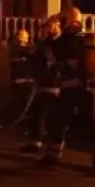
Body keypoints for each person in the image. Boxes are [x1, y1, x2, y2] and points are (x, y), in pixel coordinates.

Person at [41, 6, 95, 176]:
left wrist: (50, 26)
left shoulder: (65, 40)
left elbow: (49, 47)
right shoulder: (86, 38)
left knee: (59, 122)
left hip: (72, 87)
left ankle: (52, 159)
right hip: (90, 88)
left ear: (66, 21)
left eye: (62, 20)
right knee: (92, 124)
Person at [19, 16, 61, 154]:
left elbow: (44, 62)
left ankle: (38, 144)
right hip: (55, 85)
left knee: (39, 114)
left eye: (46, 26)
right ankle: (43, 144)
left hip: (49, 85)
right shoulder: (57, 43)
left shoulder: (47, 45)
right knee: (44, 115)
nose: (43, 29)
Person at [6, 28, 34, 125]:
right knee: (22, 104)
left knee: (20, 103)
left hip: (20, 80)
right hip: (23, 80)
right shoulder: (19, 48)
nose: (26, 39)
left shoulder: (14, 48)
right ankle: (18, 122)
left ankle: (17, 122)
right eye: (25, 37)